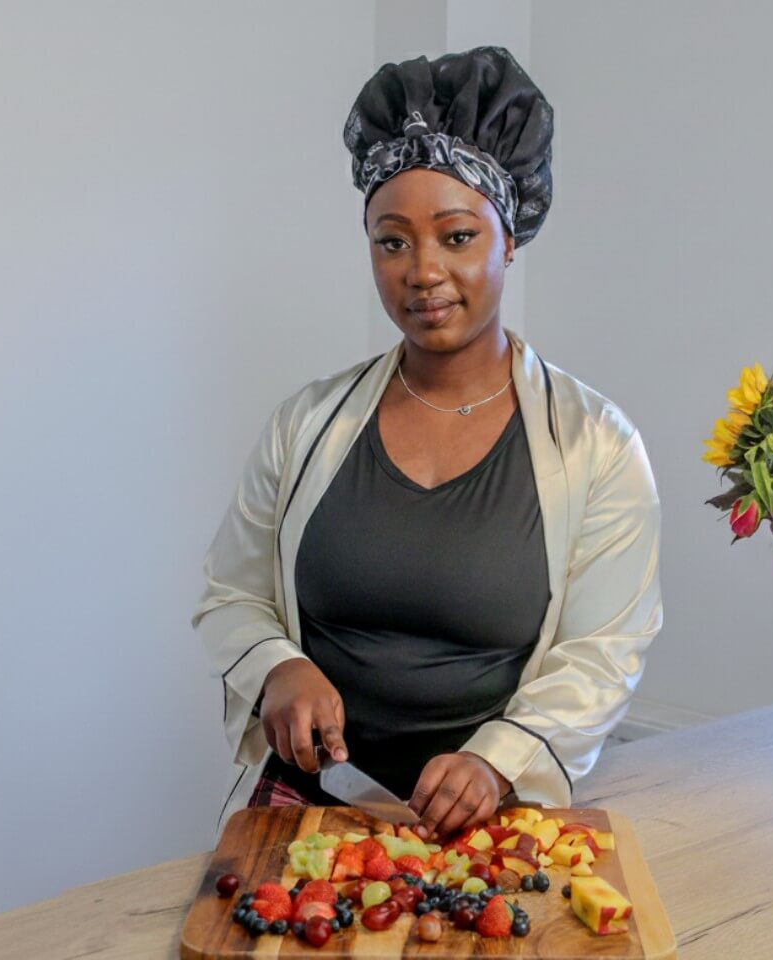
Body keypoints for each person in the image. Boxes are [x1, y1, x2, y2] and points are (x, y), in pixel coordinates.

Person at [192, 46, 662, 844]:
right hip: (308, 810)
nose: (422, 271)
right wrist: (280, 667)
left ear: (508, 240)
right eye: (392, 241)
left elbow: (604, 650)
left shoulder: (596, 446)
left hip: (491, 819)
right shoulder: (307, 425)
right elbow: (231, 595)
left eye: (455, 235)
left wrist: (497, 759)